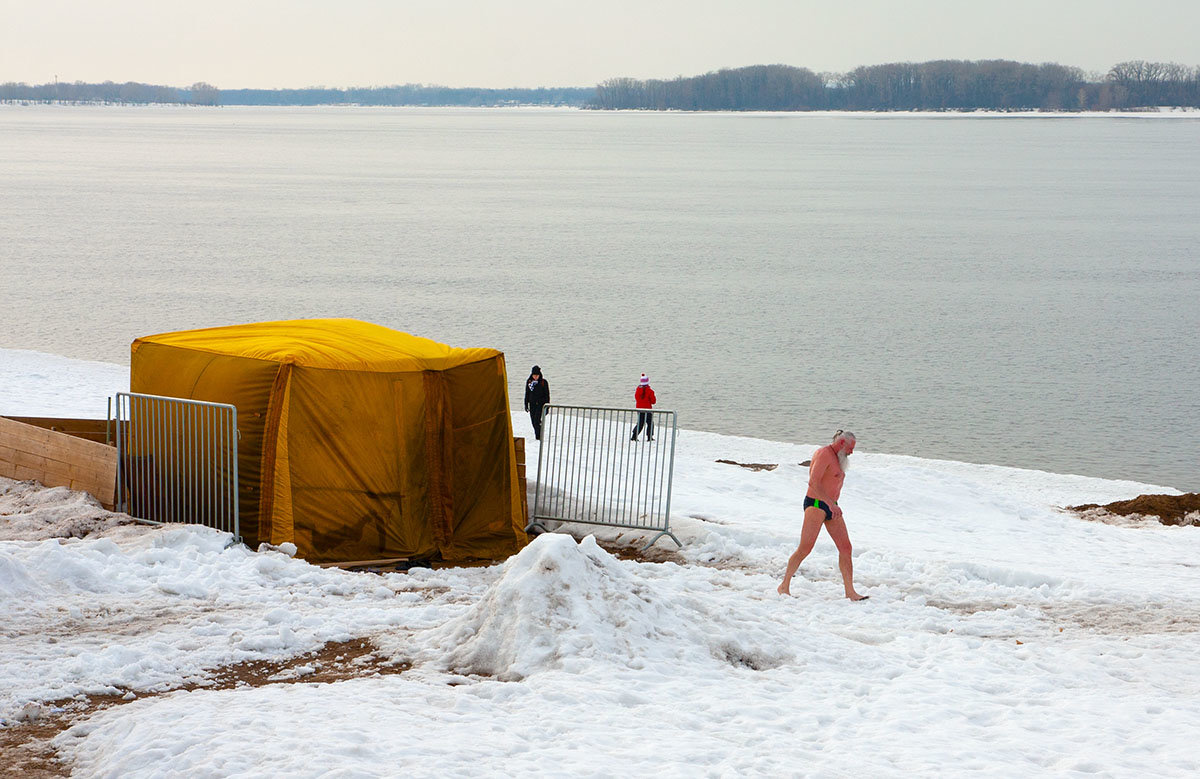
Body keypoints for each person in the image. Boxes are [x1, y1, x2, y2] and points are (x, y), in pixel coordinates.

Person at [778, 430, 867, 601]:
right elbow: (813, 482)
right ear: (841, 443)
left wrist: (833, 505)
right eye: (850, 448)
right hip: (816, 505)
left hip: (832, 507)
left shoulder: (839, 458)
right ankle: (784, 585)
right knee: (805, 548)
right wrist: (830, 503)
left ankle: (850, 592)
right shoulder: (824, 454)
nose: (851, 452)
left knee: (846, 548)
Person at [524, 365, 550, 441]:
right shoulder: (529, 382)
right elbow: (527, 393)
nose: (535, 377)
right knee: (533, 422)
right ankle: (538, 433)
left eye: (537, 375)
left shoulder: (543, 382)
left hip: (540, 405)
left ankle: (538, 437)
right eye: (534, 375)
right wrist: (526, 404)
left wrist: (547, 406)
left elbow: (547, 395)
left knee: (536, 421)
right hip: (532, 405)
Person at [630, 373, 656, 441]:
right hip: (648, 410)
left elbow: (636, 398)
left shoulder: (637, 391)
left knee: (640, 423)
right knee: (650, 423)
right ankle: (649, 437)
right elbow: (653, 401)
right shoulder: (650, 391)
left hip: (639, 409)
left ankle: (634, 436)